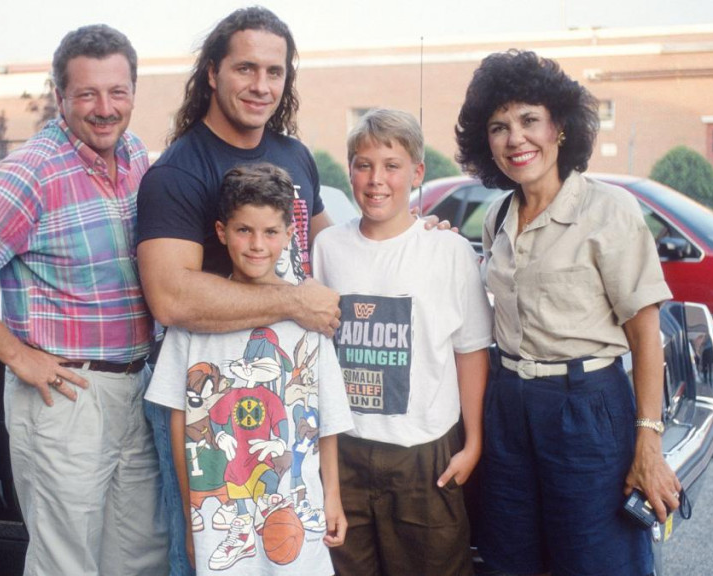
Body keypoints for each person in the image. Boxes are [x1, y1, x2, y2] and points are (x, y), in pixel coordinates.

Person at [0, 25, 167, 576]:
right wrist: (16, 354)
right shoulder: (33, 170)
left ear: (133, 91)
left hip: (135, 387)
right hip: (66, 395)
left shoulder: (134, 157)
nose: (104, 108)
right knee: (65, 562)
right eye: (87, 94)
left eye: (117, 92)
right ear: (60, 97)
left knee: (141, 556)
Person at [455, 49, 681, 576]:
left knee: (596, 559)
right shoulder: (497, 217)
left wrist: (649, 441)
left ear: (559, 128)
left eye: (529, 120)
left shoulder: (609, 210)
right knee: (511, 557)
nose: (516, 139)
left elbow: (647, 336)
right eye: (498, 126)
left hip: (587, 409)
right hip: (508, 404)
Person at [145, 163, 353, 575]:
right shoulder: (194, 324)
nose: (258, 245)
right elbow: (177, 421)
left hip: (297, 512)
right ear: (222, 232)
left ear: (290, 235)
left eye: (271, 232)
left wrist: (333, 498)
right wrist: (190, 518)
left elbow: (326, 420)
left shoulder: (308, 319)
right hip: (219, 524)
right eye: (244, 231)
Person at [312, 109, 493, 576]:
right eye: (363, 164)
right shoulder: (328, 247)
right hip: (346, 449)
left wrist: (473, 442)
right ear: (349, 169)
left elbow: (470, 350)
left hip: (424, 455)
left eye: (392, 165)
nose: (376, 179)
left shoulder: (449, 250)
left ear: (416, 173)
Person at [136, 6, 340, 337]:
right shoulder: (178, 172)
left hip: (297, 372)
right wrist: (293, 302)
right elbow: (170, 298)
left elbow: (333, 250)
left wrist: (405, 231)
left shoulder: (297, 155)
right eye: (246, 69)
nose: (261, 86)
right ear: (213, 73)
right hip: (218, 378)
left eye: (274, 72)